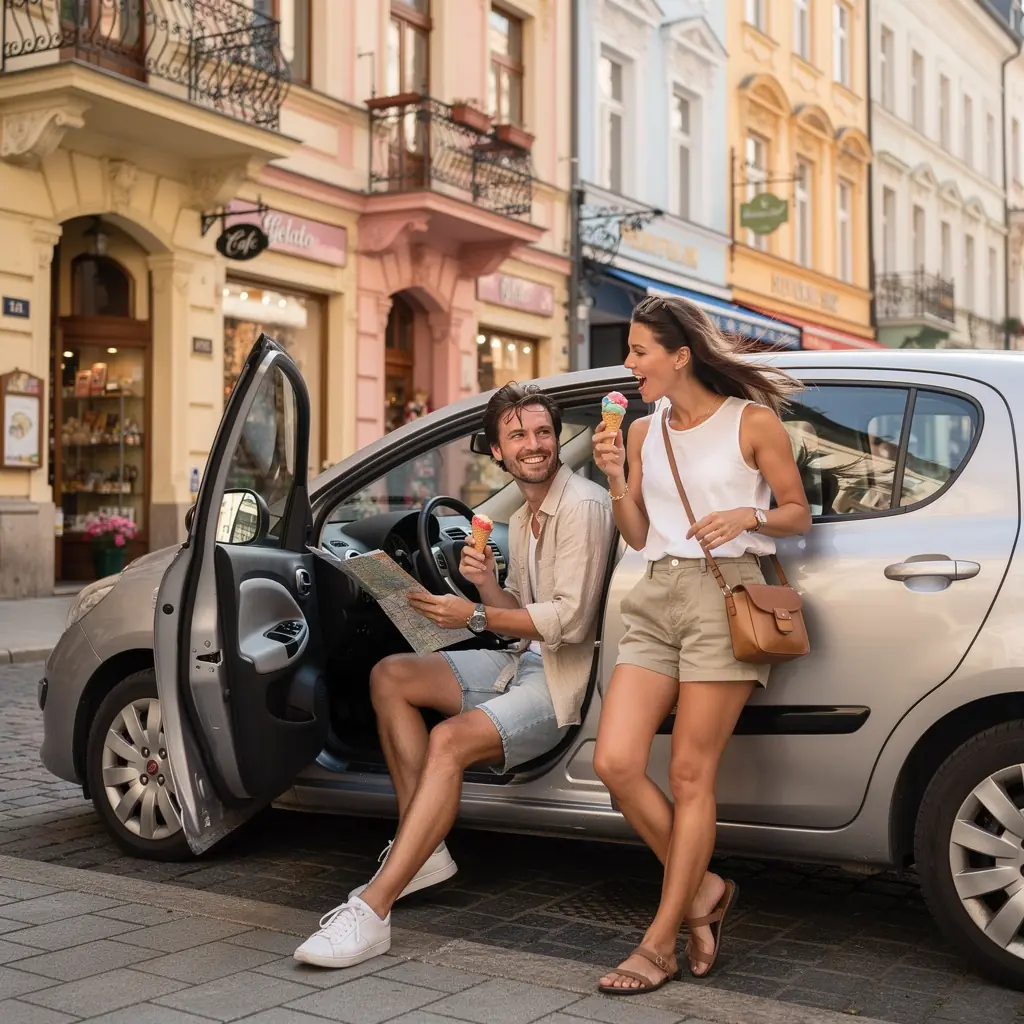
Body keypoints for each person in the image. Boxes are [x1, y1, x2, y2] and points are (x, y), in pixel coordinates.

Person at [294, 381, 615, 969]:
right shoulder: (523, 514)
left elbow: (569, 622)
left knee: (447, 740)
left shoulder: (584, 505)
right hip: (523, 660)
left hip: (561, 680)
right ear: (497, 450)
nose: (534, 444)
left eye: (543, 432)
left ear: (556, 438)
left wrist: (472, 612)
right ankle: (426, 850)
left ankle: (372, 910)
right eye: (518, 435)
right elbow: (519, 619)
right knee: (391, 676)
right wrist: (487, 583)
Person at [590, 295, 811, 994]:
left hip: (726, 594)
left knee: (690, 776)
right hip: (655, 595)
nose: (629, 363)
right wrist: (616, 479)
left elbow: (798, 513)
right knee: (614, 761)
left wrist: (750, 515)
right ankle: (706, 889)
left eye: (639, 351)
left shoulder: (752, 422)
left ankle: (659, 943)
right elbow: (636, 533)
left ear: (680, 356)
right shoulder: (642, 430)